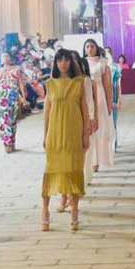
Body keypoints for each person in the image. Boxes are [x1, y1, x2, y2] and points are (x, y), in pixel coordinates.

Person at [40, 49, 91, 232]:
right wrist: (45, 135)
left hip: (73, 132)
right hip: (55, 133)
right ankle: (45, 211)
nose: (63, 63)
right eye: (60, 60)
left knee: (74, 170)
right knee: (51, 170)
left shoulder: (79, 82)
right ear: (55, 63)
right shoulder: (50, 84)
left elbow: (84, 109)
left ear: (71, 62)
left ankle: (75, 211)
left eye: (66, 60)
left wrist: (85, 134)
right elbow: (47, 111)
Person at [82, 40, 115, 177]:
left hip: (100, 97)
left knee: (100, 129)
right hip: (87, 97)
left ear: (96, 48)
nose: (90, 49)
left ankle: (99, 159)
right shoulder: (82, 63)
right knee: (89, 129)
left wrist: (109, 103)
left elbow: (108, 86)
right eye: (87, 46)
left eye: (92, 46)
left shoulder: (102, 63)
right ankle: (92, 160)